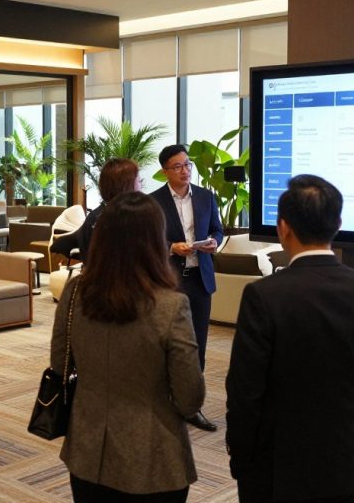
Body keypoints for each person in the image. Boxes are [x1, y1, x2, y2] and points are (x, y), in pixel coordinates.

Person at [225, 175, 354, 503]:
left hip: (275, 462)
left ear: (283, 227)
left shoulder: (264, 294)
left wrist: (239, 451)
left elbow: (245, 389)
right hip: (341, 459)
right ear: (339, 223)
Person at [51, 191, 204, 503]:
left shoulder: (75, 293)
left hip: (87, 449)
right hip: (154, 454)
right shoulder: (172, 305)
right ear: (155, 241)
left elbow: (59, 365)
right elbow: (190, 397)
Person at [150, 144, 224, 432]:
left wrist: (215, 241)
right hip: (170, 281)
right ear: (164, 171)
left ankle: (192, 405)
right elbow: (148, 239)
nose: (185, 171)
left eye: (187, 164)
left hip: (200, 279)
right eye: (177, 166)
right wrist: (171, 247)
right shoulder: (153, 202)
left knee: (198, 345)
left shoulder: (206, 197)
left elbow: (217, 228)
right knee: (168, 343)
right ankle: (164, 401)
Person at [74, 157, 140, 261]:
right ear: (125, 185)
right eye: (137, 180)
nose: (140, 184)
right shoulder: (116, 218)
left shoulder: (99, 214)